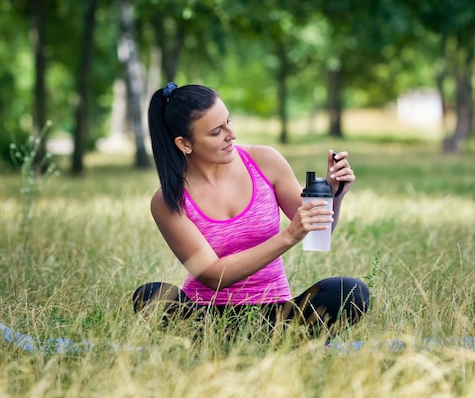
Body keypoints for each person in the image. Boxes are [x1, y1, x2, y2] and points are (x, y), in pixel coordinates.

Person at [133, 82, 369, 338]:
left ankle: (263, 342)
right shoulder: (168, 200)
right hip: (206, 317)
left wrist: (334, 193)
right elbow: (212, 275)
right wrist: (288, 236)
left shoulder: (265, 161)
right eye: (216, 132)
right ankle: (254, 345)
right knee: (150, 296)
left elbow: (317, 233)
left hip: (275, 313)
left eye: (229, 121)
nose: (231, 134)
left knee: (351, 292)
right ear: (184, 144)